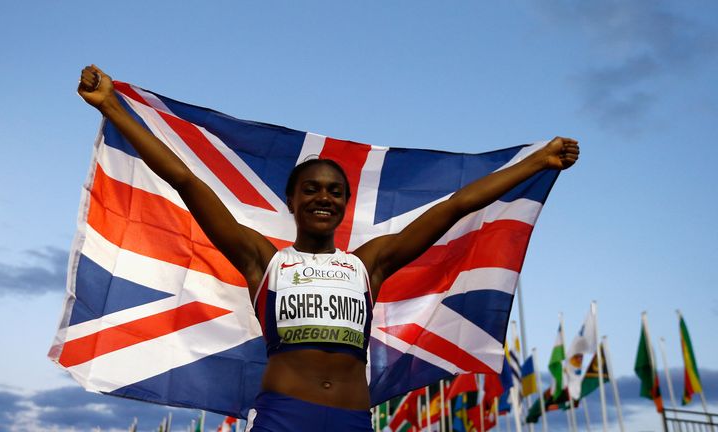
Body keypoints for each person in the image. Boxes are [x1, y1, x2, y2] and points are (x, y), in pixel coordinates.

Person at [78, 65, 579, 432]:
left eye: (334, 191)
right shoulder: (264, 261)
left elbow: (456, 206)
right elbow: (186, 179)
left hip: (353, 420)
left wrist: (538, 162)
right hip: (281, 417)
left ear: (344, 204)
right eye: (312, 189)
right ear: (292, 200)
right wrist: (112, 107)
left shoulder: (369, 264)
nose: (324, 197)